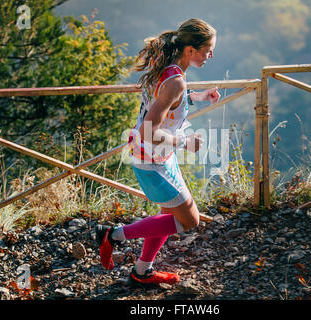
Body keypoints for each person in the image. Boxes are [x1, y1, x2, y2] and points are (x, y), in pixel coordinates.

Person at [96, 18, 220, 286]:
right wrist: (184, 141)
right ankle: (113, 236)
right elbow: (148, 132)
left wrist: (200, 96)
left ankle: (141, 272)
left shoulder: (167, 68)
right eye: (208, 49)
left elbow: (168, 98)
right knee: (189, 221)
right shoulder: (176, 80)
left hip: (158, 157)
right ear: (190, 50)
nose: (211, 55)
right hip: (152, 162)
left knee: (168, 215)